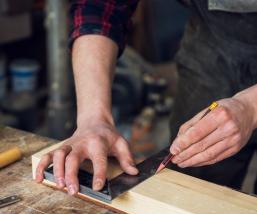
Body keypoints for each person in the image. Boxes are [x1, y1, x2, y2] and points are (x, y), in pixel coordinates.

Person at [36, 0, 257, 195]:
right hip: (213, 39)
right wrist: (94, 119)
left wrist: (251, 108)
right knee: (192, 181)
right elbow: (100, 7)